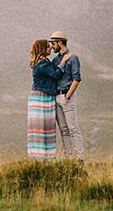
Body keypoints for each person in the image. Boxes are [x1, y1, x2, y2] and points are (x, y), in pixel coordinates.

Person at [27, 38, 71, 160]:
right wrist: (63, 62)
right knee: (42, 127)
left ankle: (42, 156)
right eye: (47, 46)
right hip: (42, 97)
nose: (50, 48)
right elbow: (55, 74)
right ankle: (42, 157)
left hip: (44, 96)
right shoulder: (42, 64)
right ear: (42, 49)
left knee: (44, 127)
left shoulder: (44, 62)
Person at [49, 30, 84, 161]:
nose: (52, 47)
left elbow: (76, 79)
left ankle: (80, 158)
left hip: (66, 96)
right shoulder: (56, 60)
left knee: (73, 128)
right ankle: (68, 157)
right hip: (57, 96)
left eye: (53, 44)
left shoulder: (73, 58)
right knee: (63, 129)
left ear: (59, 42)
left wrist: (68, 96)